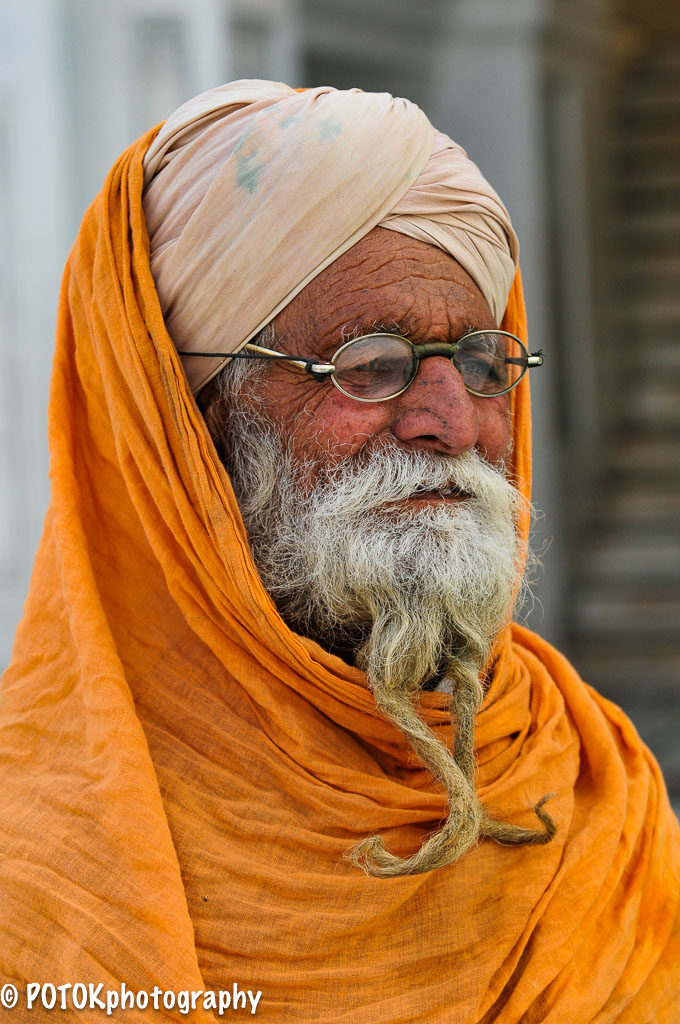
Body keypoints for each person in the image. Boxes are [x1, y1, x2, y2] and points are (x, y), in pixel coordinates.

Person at [0, 80, 678, 1022]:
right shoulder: (33, 862)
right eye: (370, 364)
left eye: (484, 363)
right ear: (193, 428)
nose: (454, 421)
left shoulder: (591, 777)